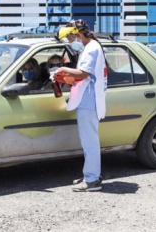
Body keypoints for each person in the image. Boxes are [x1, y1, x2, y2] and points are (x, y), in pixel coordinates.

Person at [56, 19, 107, 192]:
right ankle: (90, 175)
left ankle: (92, 180)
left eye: (70, 39)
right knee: (88, 141)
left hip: (89, 100)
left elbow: (84, 73)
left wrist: (62, 69)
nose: (71, 44)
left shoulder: (92, 48)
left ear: (77, 34)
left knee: (90, 141)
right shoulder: (90, 47)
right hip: (87, 98)